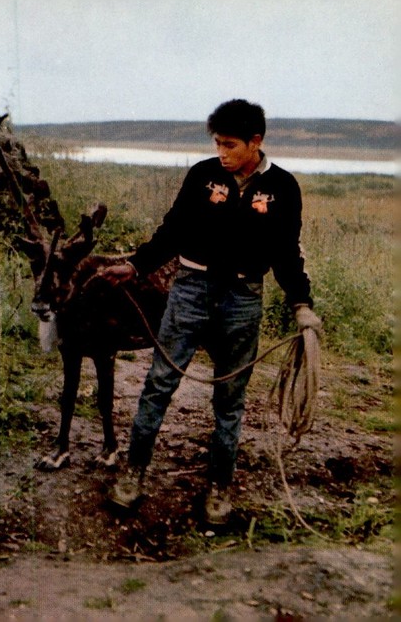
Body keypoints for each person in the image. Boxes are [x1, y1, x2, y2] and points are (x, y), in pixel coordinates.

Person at [99, 99, 321, 525]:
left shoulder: (284, 188)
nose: (222, 152)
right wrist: (136, 265)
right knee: (158, 385)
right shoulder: (203, 176)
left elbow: (287, 253)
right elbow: (172, 229)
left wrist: (301, 305)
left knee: (230, 401)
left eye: (230, 144)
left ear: (255, 142)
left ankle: (219, 487)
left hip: (242, 299)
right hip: (190, 291)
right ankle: (134, 474)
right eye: (218, 143)